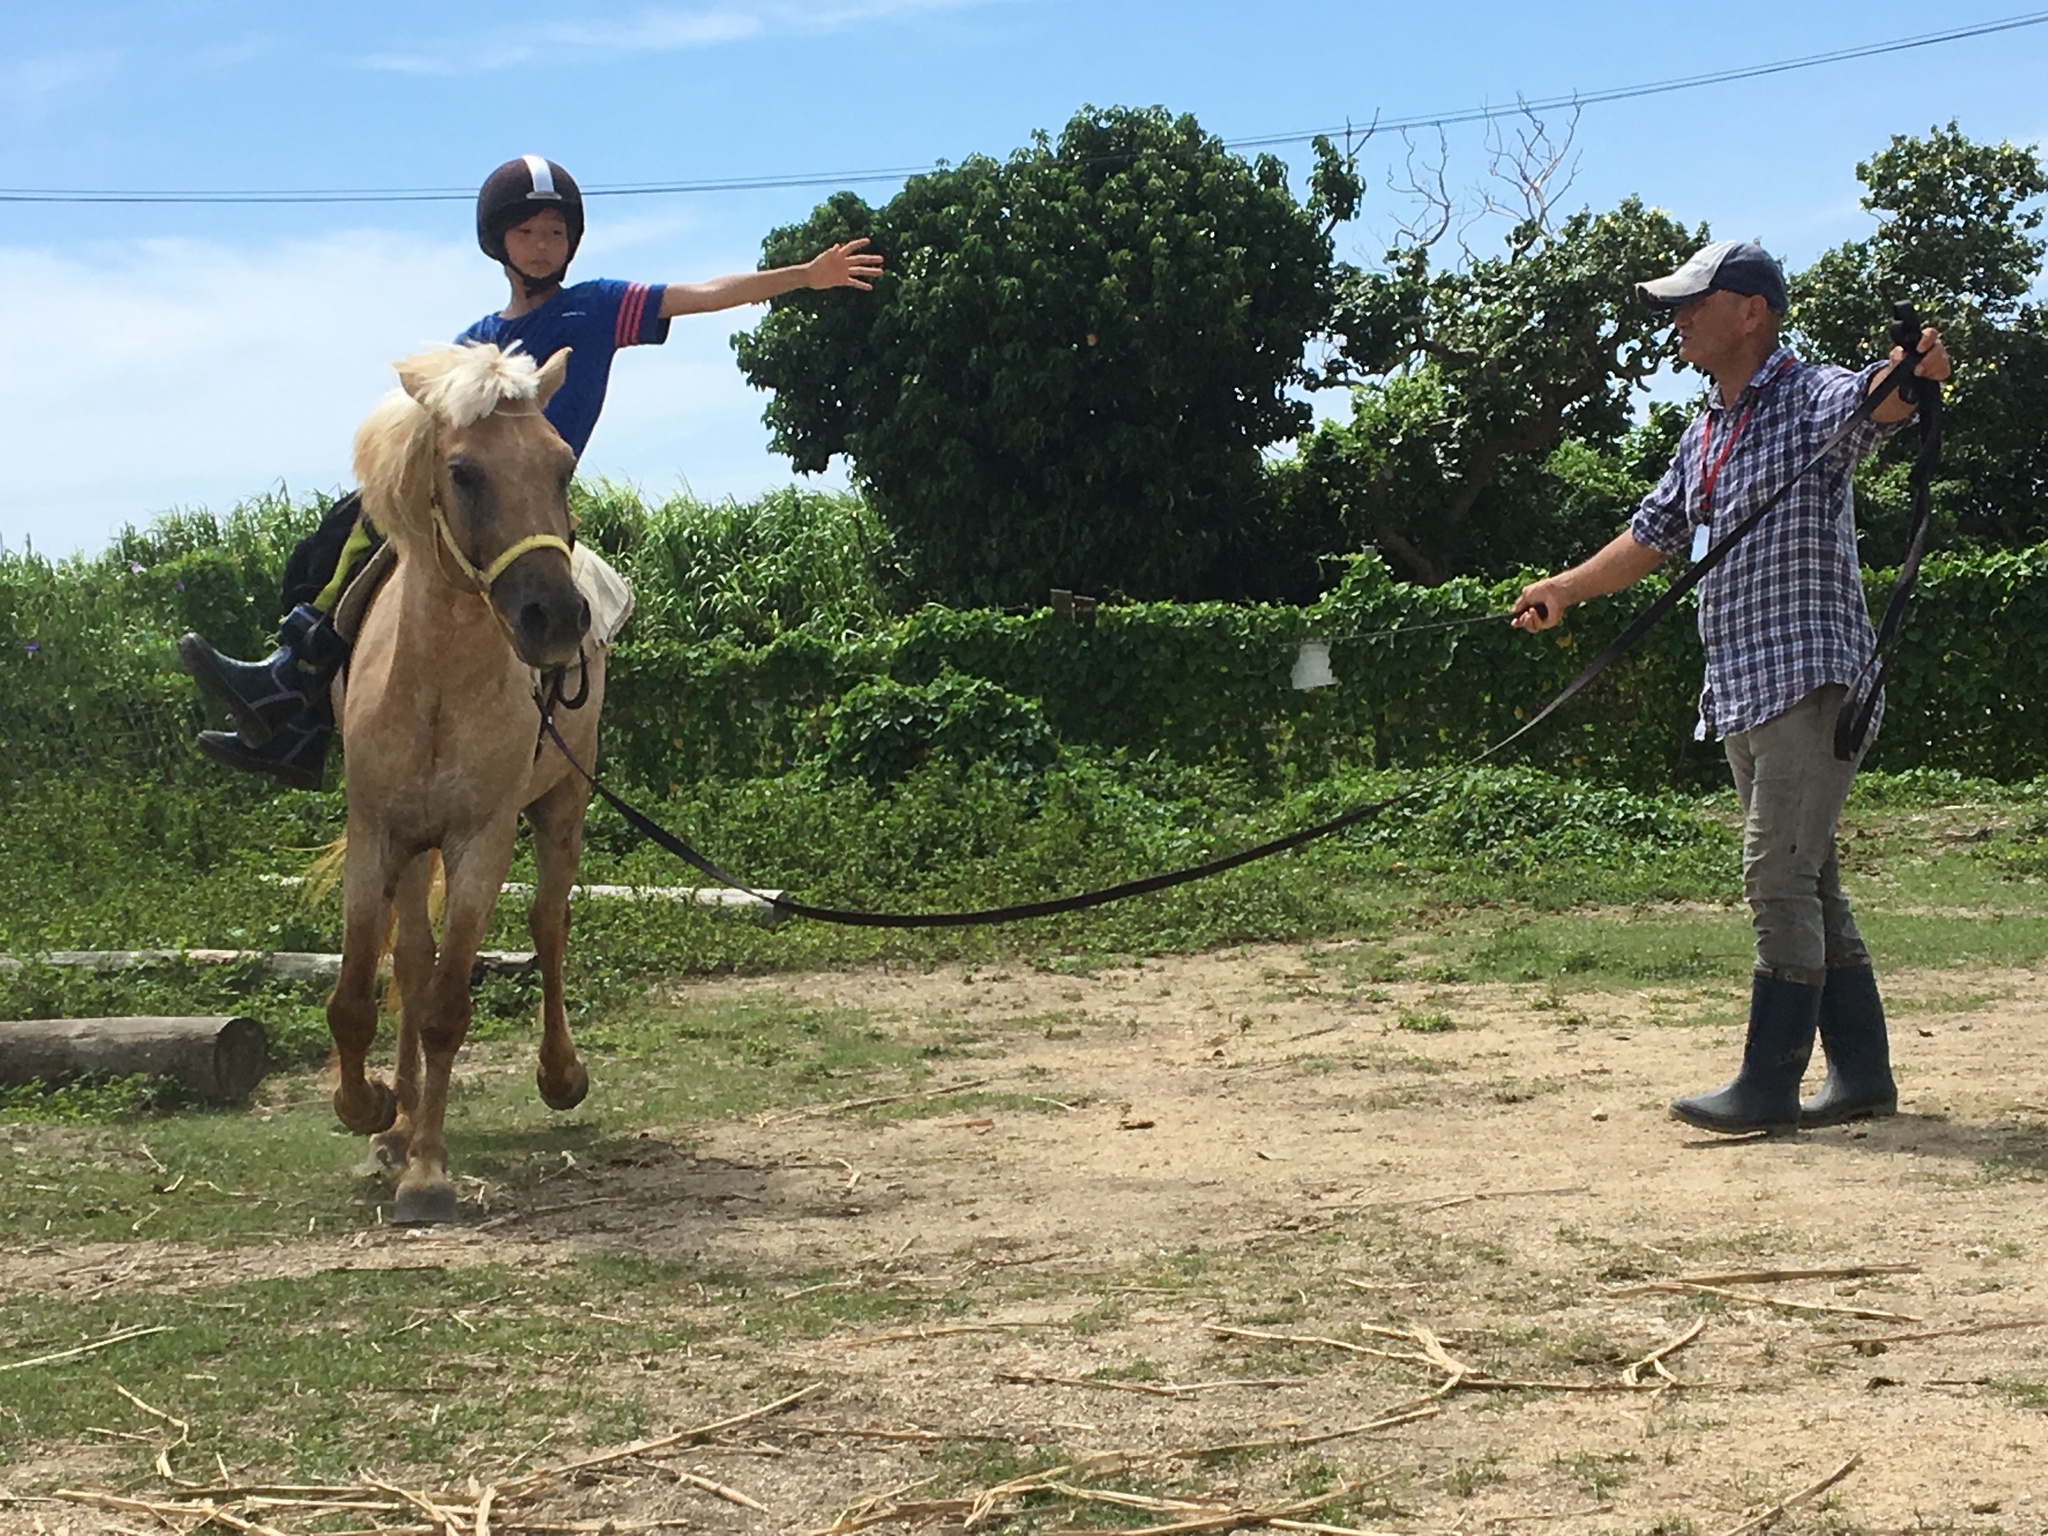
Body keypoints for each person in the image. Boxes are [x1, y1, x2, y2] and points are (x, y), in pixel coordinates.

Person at [179, 154, 882, 788]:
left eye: (554, 233)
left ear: (571, 243)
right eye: (527, 233)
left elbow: (703, 293)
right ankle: (297, 695)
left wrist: (804, 278)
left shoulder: (600, 305)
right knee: (345, 528)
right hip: (471, 502)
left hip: (536, 502)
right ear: (500, 244)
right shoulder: (473, 342)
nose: (543, 246)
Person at [1509, 239, 1950, 1136]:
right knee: (1809, 878)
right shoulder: (1705, 429)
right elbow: (1651, 536)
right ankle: (1861, 1077)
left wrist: (1914, 371)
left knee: (1774, 878)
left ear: (1750, 310)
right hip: (1741, 684)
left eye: (1690, 302)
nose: (1676, 318)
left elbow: (1880, 403)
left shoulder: (1810, 395)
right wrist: (1564, 588)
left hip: (1807, 676)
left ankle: (1768, 1085)